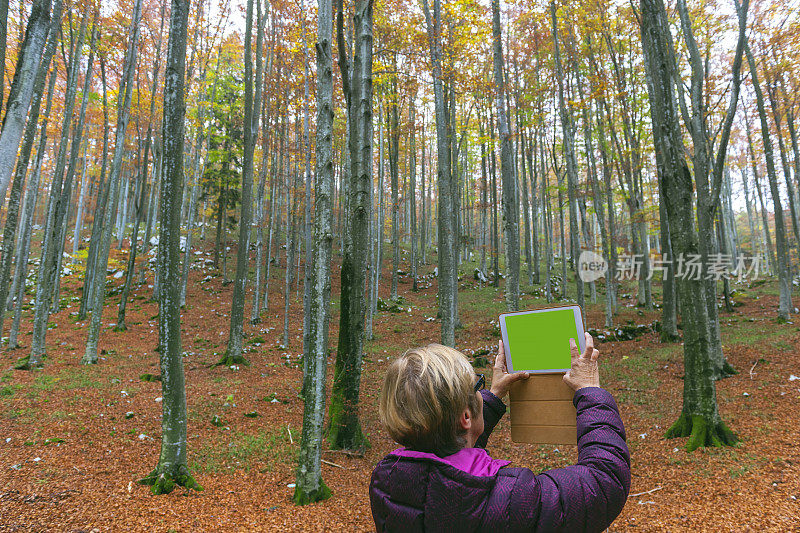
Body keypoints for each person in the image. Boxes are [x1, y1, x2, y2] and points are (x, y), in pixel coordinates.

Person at [369, 333, 630, 532]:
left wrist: (491, 398)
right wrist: (591, 392)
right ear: (466, 417)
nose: (480, 393)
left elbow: (446, 470)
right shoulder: (512, 497)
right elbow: (604, 481)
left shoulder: (387, 484)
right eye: (476, 387)